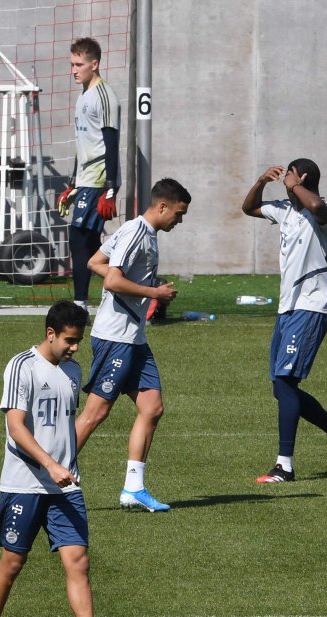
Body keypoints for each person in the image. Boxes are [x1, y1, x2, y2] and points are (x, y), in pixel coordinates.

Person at [0, 300, 134, 617]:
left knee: (78, 561)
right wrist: (50, 465)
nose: (75, 347)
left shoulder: (73, 371)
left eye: (78, 340)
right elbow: (16, 428)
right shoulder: (21, 367)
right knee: (13, 562)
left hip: (65, 487)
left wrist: (65, 467)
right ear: (50, 333)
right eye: (69, 339)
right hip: (25, 484)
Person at [241, 159, 327, 482]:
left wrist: (295, 186)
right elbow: (249, 207)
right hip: (287, 308)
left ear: (303, 177)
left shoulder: (326, 213)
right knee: (282, 389)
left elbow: (317, 207)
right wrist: (260, 182)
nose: (286, 182)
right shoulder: (285, 210)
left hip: (311, 306)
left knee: (285, 383)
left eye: (290, 177)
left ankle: (285, 465)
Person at [80, 178, 191, 512]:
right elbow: (112, 279)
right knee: (96, 413)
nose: (179, 220)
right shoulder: (135, 233)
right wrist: (153, 293)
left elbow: (94, 262)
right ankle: (48, 474)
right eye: (179, 213)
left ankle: (133, 488)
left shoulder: (140, 233)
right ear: (162, 206)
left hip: (134, 338)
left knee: (152, 407)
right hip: (115, 338)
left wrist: (143, 289)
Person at [56, 37, 121, 313]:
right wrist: (72, 183)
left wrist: (109, 189)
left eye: (79, 64)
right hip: (85, 180)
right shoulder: (82, 95)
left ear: (94, 64)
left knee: (78, 238)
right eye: (72, 64)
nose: (74, 69)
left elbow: (111, 145)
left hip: (98, 180)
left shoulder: (104, 96)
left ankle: (80, 304)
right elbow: (83, 144)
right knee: (93, 245)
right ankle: (132, 289)